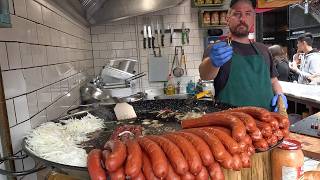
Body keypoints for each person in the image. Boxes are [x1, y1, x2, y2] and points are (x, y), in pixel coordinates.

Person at [199, 0, 287, 111]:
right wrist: (212, 62)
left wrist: (280, 95)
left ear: (253, 19)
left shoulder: (263, 50)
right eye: (237, 14)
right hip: (231, 123)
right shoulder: (218, 49)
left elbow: (273, 81)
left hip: (266, 122)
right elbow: (205, 75)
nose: (242, 19)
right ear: (228, 18)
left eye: (248, 13)